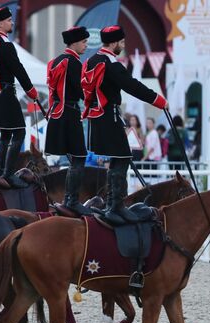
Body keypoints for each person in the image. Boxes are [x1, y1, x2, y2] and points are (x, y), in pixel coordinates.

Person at [82, 25, 167, 224]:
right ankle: (116, 206)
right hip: (108, 116)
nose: (123, 45)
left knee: (117, 160)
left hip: (97, 118)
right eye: (121, 42)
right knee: (123, 157)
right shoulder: (112, 63)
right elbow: (132, 86)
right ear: (113, 42)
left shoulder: (92, 61)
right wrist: (158, 100)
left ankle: (113, 203)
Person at [0, 6, 39, 188]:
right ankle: (8, 173)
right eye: (9, 20)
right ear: (0, 23)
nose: (12, 23)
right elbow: (17, 69)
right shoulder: (5, 45)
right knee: (19, 131)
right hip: (5, 92)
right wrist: (31, 90)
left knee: (6, 133)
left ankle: (0, 171)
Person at [44, 26, 92, 215]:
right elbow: (82, 90)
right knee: (79, 157)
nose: (86, 45)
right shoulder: (73, 62)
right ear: (74, 43)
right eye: (84, 42)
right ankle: (71, 200)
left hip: (58, 112)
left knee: (73, 159)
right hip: (69, 113)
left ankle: (68, 198)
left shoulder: (56, 61)